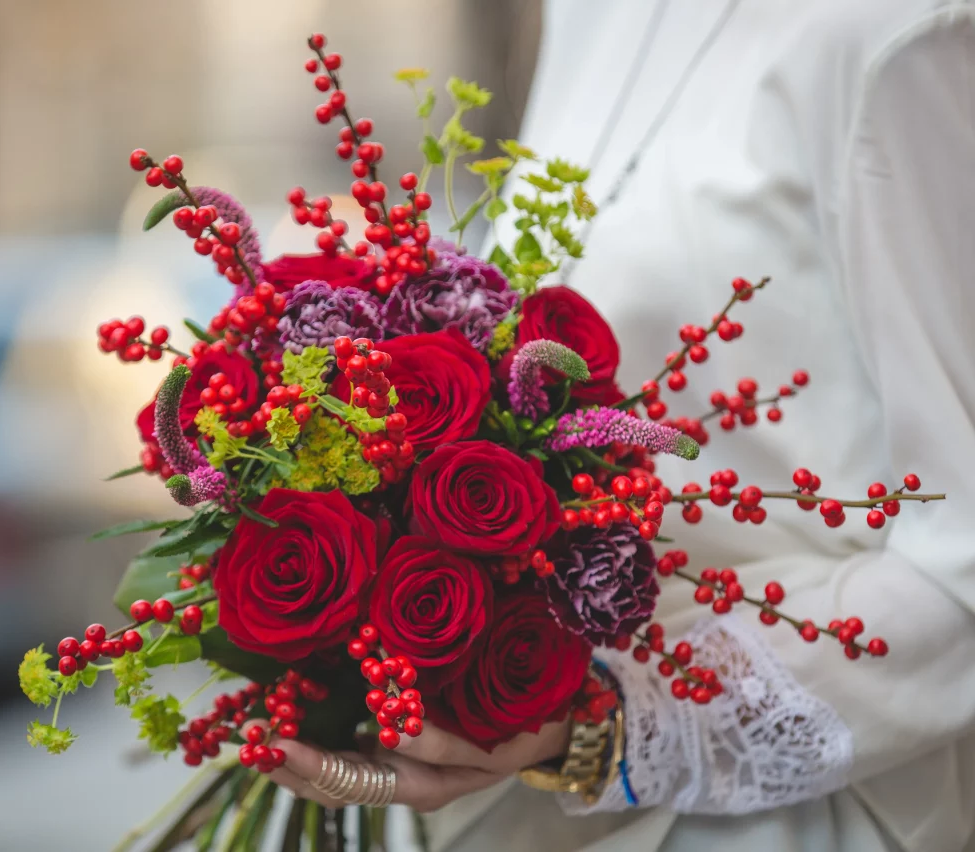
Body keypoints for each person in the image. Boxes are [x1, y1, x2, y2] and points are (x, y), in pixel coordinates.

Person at [266, 0, 975, 849]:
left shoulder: (901, 36)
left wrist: (612, 723)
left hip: (780, 819)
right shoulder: (589, 12)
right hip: (512, 805)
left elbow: (961, 565)